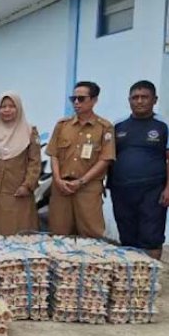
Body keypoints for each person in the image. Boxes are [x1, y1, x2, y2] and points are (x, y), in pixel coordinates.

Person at [109, 81, 169, 260]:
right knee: (127, 235)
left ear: (154, 100)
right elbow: (107, 157)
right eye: (135, 97)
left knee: (151, 237)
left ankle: (150, 280)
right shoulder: (117, 126)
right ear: (129, 100)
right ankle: (131, 280)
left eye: (144, 97)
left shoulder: (165, 125)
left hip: (153, 190)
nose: (139, 101)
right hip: (121, 190)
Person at [46, 81, 115, 237]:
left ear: (94, 100)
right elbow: (54, 154)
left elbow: (105, 159)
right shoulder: (62, 125)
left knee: (90, 235)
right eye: (74, 99)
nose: (76, 102)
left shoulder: (104, 127)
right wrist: (57, 179)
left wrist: (81, 181)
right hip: (61, 186)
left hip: (88, 188)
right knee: (59, 234)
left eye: (81, 98)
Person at [0, 91, 41, 235]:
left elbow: (35, 162)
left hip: (19, 192)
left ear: (19, 108)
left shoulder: (29, 131)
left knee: (20, 234)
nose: (7, 110)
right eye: (3, 106)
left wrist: (27, 185)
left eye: (12, 106)